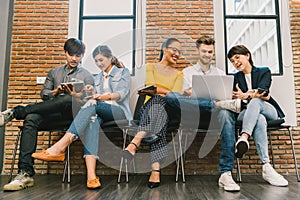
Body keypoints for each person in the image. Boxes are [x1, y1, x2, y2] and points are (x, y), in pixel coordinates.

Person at [31, 45, 132, 189]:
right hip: (100, 111)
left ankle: (61, 146)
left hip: (118, 112)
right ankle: (91, 176)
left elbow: (121, 93)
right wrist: (82, 94)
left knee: (92, 104)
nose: (99, 64)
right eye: (96, 61)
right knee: (92, 120)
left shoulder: (123, 72)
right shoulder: (97, 78)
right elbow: (90, 101)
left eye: (101, 60)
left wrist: (102, 97)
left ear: (110, 58)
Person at [1, 38, 95, 191]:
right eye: (71, 54)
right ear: (65, 53)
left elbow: (90, 101)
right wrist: (54, 92)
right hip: (53, 115)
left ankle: (16, 112)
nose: (74, 59)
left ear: (82, 56)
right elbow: (44, 94)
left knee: (67, 98)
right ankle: (25, 173)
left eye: (78, 56)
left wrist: (77, 95)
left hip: (73, 118)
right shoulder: (54, 72)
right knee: (31, 118)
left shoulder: (87, 75)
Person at [165, 35, 241, 192]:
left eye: (210, 52)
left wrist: (228, 96)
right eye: (204, 51)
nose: (207, 54)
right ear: (198, 51)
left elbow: (227, 95)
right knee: (171, 96)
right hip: (193, 116)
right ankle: (214, 104)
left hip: (215, 118)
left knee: (227, 115)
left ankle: (225, 173)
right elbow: (180, 100)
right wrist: (187, 93)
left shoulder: (220, 73)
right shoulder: (186, 73)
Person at [122, 38, 183, 189]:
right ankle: (155, 171)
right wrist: (159, 92)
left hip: (170, 111)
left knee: (159, 103)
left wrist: (158, 91)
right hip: (148, 109)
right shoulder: (150, 67)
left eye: (180, 52)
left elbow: (173, 95)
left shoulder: (179, 74)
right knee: (156, 106)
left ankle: (135, 142)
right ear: (164, 49)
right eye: (174, 50)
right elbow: (151, 87)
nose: (177, 54)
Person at [228, 44, 288, 187]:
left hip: (269, 111)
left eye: (237, 57)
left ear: (247, 55)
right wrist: (249, 96)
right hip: (247, 113)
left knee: (256, 101)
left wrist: (246, 95)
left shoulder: (263, 71)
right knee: (258, 118)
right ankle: (267, 166)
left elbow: (263, 93)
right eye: (232, 61)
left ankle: (243, 137)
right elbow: (234, 99)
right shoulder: (234, 78)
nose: (235, 62)